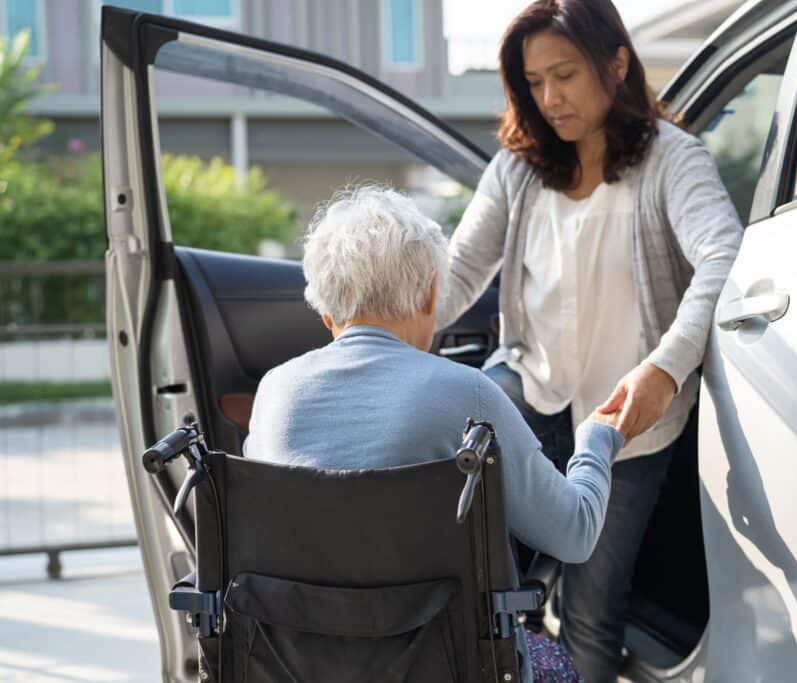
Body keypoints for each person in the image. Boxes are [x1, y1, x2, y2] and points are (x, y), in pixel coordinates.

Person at [434, 1, 744, 680]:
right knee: (476, 579)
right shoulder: (517, 169)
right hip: (531, 394)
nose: (550, 98)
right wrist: (379, 331)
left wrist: (664, 370)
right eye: (534, 82)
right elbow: (456, 273)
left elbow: (724, 257)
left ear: (617, 62)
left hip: (627, 424)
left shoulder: (672, 160)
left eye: (565, 74)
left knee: (591, 607)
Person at [243, 186, 625, 683]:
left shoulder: (275, 394)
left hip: (296, 666)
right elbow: (574, 534)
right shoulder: (469, 395)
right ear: (429, 294)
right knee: (555, 664)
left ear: (326, 313)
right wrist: (598, 438)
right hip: (449, 667)